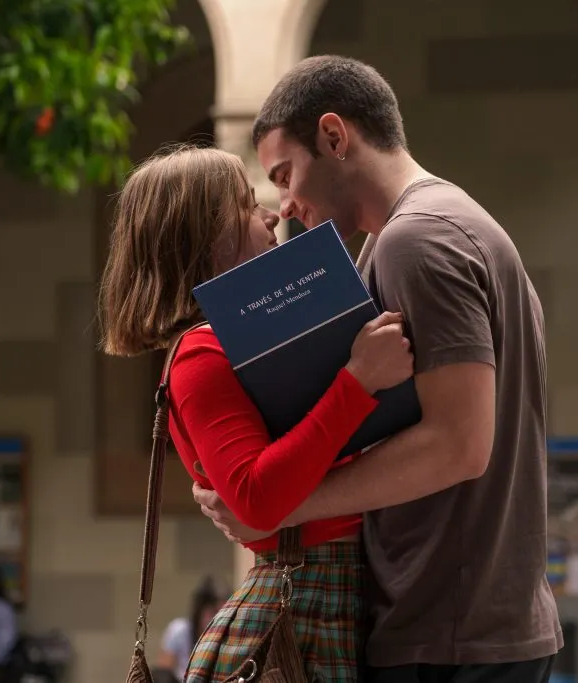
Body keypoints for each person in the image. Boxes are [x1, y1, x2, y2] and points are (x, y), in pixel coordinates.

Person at [193, 55, 563, 683]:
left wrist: (284, 507)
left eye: (285, 175)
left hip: (449, 637)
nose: (283, 206)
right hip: (467, 629)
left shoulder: (415, 240)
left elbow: (459, 445)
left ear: (335, 137)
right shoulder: (443, 222)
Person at [99, 144, 414, 683]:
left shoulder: (234, 345)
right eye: (247, 206)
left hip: (325, 601)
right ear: (203, 235)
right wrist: (358, 381)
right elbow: (256, 495)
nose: (271, 215)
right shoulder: (200, 352)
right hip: (298, 615)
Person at [156, 576, 229, 683]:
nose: (218, 619)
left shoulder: (228, 635)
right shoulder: (179, 630)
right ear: (199, 610)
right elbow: (163, 671)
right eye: (214, 612)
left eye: (223, 613)